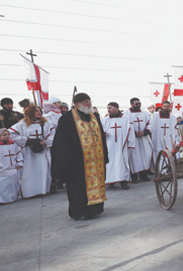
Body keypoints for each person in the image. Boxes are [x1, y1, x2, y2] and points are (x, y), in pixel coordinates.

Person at [52, 93, 108, 221]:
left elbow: (102, 138)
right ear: (77, 105)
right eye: (85, 102)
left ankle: (95, 209)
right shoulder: (67, 119)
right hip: (76, 162)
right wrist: (65, 163)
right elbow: (61, 143)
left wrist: (105, 155)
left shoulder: (95, 117)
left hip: (95, 160)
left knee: (96, 185)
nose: (88, 104)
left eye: (89, 101)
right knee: (78, 187)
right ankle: (79, 212)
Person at [9, 105, 54, 198]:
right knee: (29, 170)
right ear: (30, 113)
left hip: (43, 150)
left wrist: (46, 142)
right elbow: (10, 134)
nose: (39, 112)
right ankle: (30, 192)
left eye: (39, 110)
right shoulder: (22, 124)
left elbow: (53, 134)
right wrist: (26, 140)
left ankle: (43, 190)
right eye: (36, 111)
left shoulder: (46, 123)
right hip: (29, 151)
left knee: (43, 169)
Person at [102, 102, 134, 190]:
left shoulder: (125, 119)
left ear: (117, 108)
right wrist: (102, 134)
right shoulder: (105, 120)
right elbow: (101, 130)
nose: (108, 110)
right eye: (108, 108)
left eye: (110, 108)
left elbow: (130, 131)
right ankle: (111, 182)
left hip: (121, 145)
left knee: (122, 163)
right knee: (110, 163)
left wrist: (131, 144)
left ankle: (123, 181)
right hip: (109, 145)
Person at [125, 98, 152, 183]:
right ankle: (134, 176)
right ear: (131, 104)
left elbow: (151, 123)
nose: (138, 105)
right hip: (133, 139)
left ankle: (143, 174)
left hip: (143, 138)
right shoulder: (126, 114)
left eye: (139, 103)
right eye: (136, 104)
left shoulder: (145, 113)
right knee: (134, 157)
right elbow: (124, 125)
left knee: (145, 155)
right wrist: (133, 133)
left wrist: (145, 132)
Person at [0, 128, 23, 204]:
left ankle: (13, 197)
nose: (7, 136)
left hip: (12, 168)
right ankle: (2, 200)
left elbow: (18, 154)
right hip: (2, 170)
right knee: (3, 185)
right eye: (4, 135)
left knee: (13, 183)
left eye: (8, 134)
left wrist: (19, 163)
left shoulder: (13, 144)